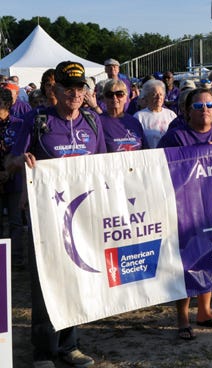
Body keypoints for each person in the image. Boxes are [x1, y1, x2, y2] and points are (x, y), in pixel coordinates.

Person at [7, 61, 106, 368]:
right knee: (46, 282)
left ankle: (69, 344)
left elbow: (102, 165)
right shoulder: (38, 121)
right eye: (69, 88)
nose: (76, 94)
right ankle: (43, 350)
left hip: (81, 216)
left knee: (75, 279)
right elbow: (10, 162)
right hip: (46, 216)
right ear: (55, 90)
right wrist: (21, 159)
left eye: (80, 88)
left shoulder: (92, 121)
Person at [157, 88, 212, 339]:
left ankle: (205, 311)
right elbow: (160, 170)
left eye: (209, 104)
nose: (205, 110)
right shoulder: (175, 137)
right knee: (185, 264)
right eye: (198, 106)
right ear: (188, 111)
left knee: (210, 257)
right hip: (184, 209)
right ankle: (182, 317)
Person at [0, 88, 25, 268]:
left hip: (14, 178)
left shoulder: (19, 124)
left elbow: (23, 149)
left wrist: (9, 170)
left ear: (8, 104)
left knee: (16, 221)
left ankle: (16, 258)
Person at [100, 79, 149, 152]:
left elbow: (145, 149)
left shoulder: (134, 122)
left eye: (119, 94)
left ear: (126, 98)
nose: (114, 97)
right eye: (109, 95)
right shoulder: (98, 122)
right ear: (104, 99)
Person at [133, 79, 177, 148]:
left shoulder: (171, 115)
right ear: (147, 97)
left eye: (161, 94)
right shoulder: (139, 117)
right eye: (154, 94)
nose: (159, 97)